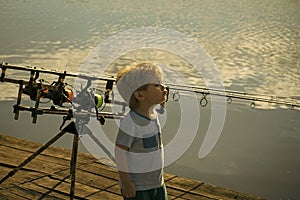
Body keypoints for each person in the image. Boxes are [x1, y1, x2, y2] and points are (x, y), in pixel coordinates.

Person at [115, 63, 168, 200]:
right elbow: (120, 153)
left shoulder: (153, 114)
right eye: (157, 85)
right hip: (138, 187)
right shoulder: (131, 123)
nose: (164, 88)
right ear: (140, 95)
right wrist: (126, 183)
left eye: (162, 83)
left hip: (157, 183)